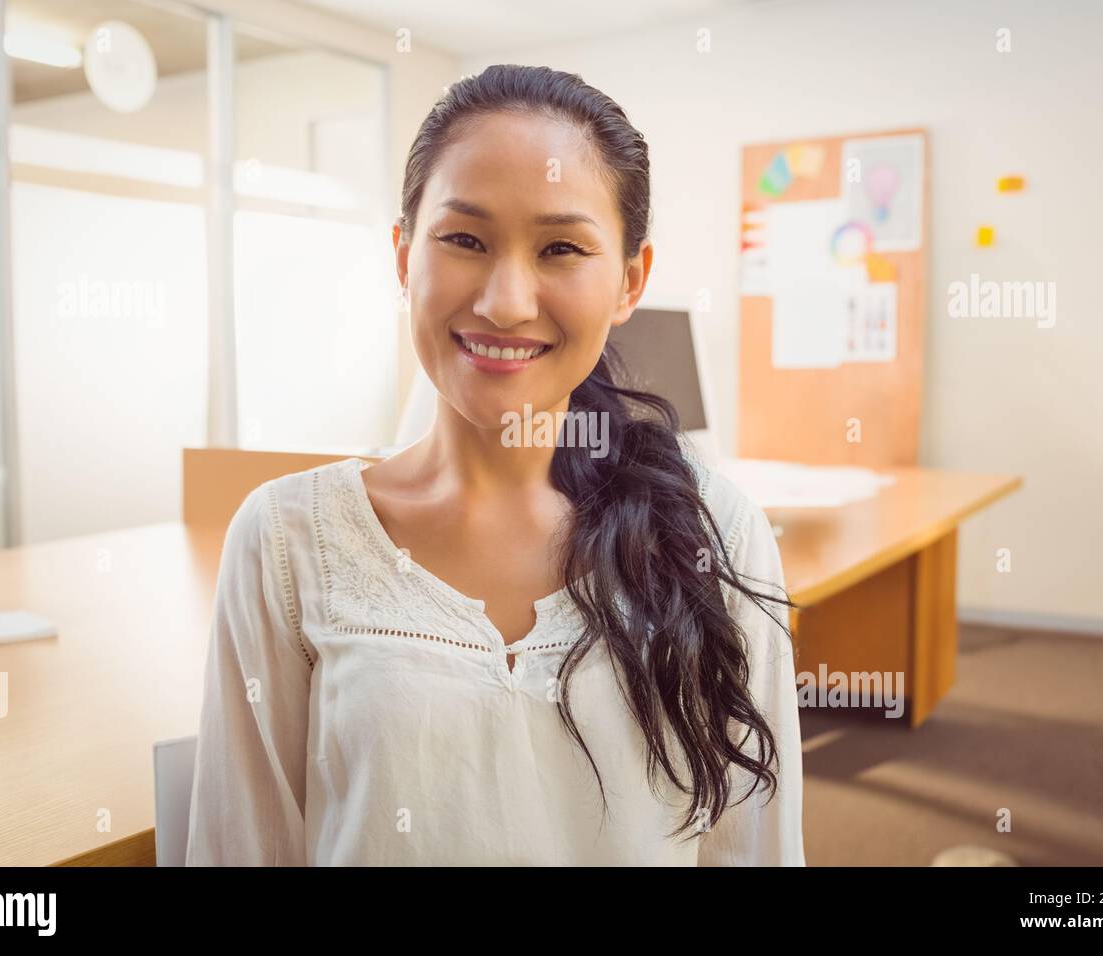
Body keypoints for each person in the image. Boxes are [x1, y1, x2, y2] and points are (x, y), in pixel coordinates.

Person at [186, 64, 804, 866]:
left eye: (560, 248)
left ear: (629, 281)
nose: (506, 301)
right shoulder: (286, 538)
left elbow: (752, 850)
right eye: (466, 240)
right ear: (405, 256)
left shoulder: (713, 531)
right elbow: (242, 846)